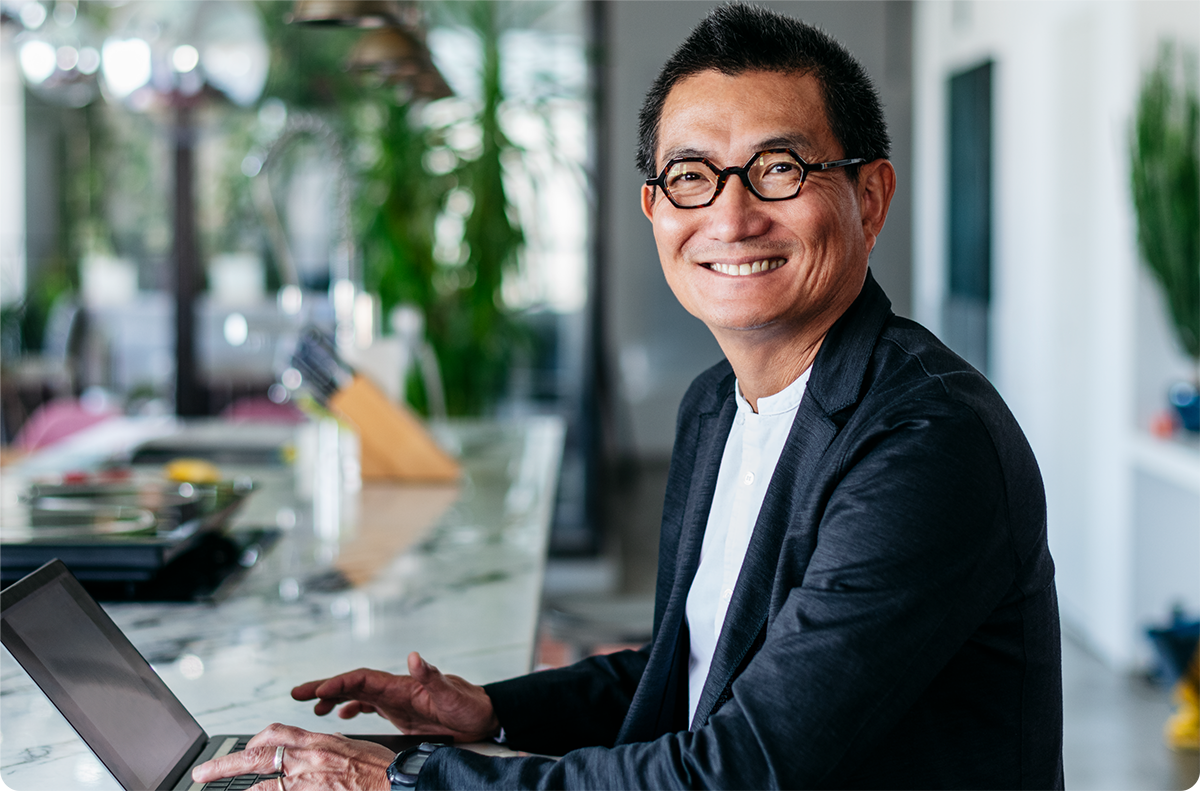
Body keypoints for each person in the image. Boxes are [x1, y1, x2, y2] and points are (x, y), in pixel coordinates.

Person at [194, 5, 1064, 789]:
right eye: (692, 175)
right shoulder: (715, 406)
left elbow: (743, 768)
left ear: (869, 198)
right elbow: (699, 661)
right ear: (654, 206)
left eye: (780, 168)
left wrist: (403, 777)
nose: (730, 216)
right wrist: (491, 712)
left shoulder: (924, 441)